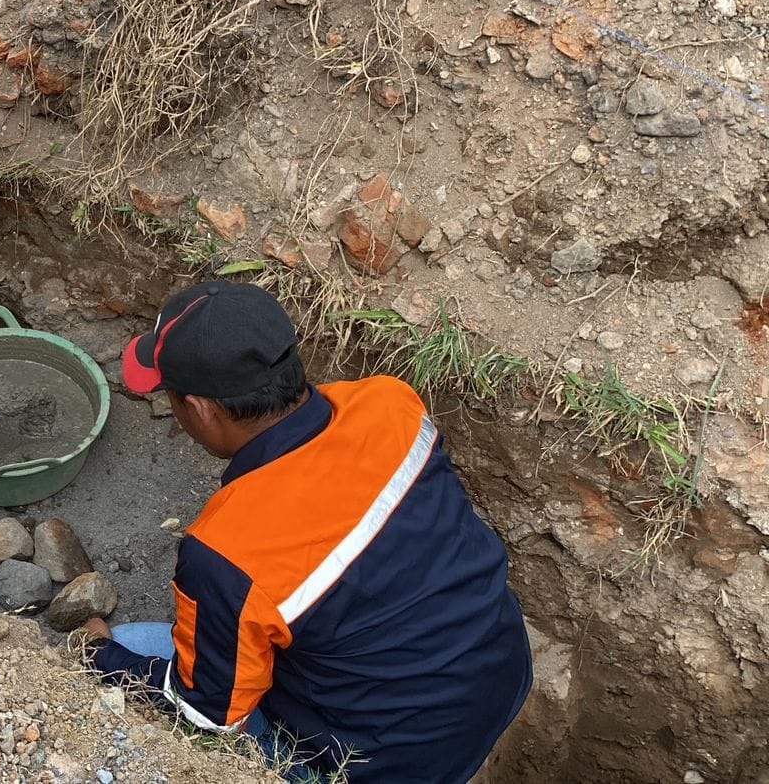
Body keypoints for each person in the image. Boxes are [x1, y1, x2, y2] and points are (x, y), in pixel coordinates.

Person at [81, 281, 532, 783]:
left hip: (386, 764)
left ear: (204, 409)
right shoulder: (391, 404)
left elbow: (210, 716)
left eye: (175, 400)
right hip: (501, 673)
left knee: (133, 642)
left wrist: (101, 655)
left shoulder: (227, 551)